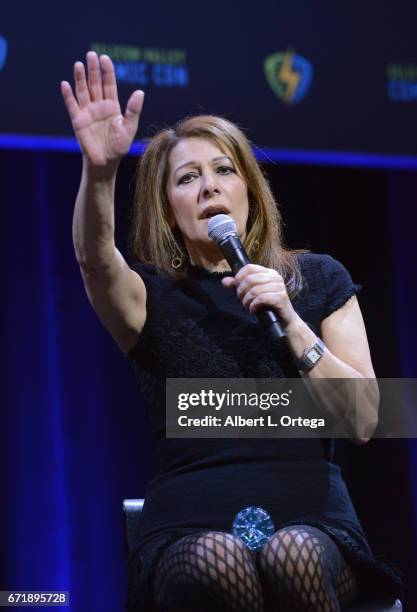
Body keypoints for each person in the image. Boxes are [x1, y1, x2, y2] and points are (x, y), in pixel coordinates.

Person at [61, 52, 403, 612]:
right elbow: (95, 261)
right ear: (170, 209)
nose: (208, 187)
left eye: (224, 170)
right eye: (187, 178)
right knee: (217, 560)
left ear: (249, 188)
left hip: (313, 525)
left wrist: (292, 322)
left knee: (292, 551)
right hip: (190, 530)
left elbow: (367, 419)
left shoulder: (318, 278)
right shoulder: (149, 295)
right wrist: (100, 173)